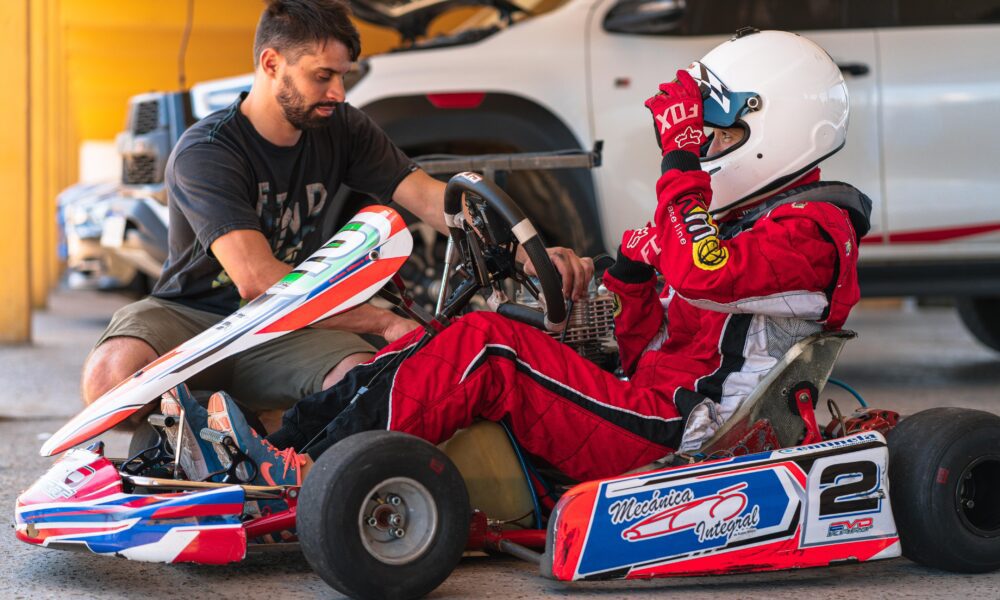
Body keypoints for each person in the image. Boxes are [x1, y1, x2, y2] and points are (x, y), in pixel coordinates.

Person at [171, 28, 873, 486]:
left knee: (489, 349)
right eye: (703, 138)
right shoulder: (732, 220)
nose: (705, 149)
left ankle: (312, 474)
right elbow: (645, 335)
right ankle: (275, 452)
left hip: (688, 429)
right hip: (649, 398)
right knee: (445, 333)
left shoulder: (814, 229)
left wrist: (679, 165)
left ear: (774, 130)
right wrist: (622, 277)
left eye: (718, 136)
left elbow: (702, 272)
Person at [81, 0, 592, 430]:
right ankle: (217, 425)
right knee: (110, 380)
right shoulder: (207, 151)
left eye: (342, 76)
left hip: (289, 329)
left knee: (367, 383)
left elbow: (431, 199)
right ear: (271, 63)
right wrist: (382, 321)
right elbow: (258, 282)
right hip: (196, 317)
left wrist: (528, 254)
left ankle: (264, 440)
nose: (338, 93)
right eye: (322, 76)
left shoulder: (342, 128)